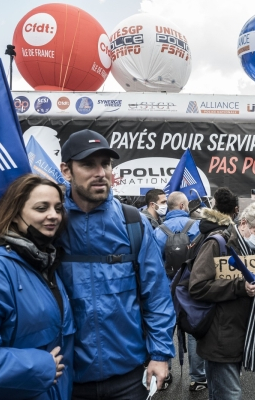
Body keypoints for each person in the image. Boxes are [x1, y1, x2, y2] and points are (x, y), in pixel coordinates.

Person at [58, 129, 175, 399]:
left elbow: (156, 296)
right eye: (88, 164)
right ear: (67, 170)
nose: (101, 172)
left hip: (129, 378)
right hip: (65, 378)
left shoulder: (133, 222)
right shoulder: (50, 223)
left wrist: (159, 355)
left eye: (106, 164)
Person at [0, 175, 74, 399]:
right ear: (15, 213)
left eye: (58, 208)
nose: (53, 216)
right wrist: (41, 367)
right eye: (41, 208)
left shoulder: (43, 262)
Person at [189, 193, 255, 400]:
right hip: (220, 338)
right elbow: (197, 286)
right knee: (229, 394)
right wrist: (239, 286)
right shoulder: (217, 244)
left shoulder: (249, 250)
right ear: (244, 223)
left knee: (223, 394)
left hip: (238, 336)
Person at [153, 191, 205, 392]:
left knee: (165, 329)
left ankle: (163, 375)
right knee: (193, 331)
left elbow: (154, 264)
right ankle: (198, 378)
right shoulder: (198, 227)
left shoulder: (159, 231)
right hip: (192, 287)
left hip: (167, 288)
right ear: (183, 206)